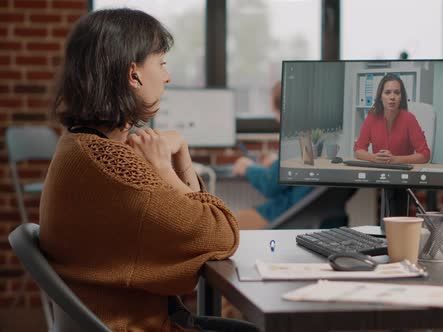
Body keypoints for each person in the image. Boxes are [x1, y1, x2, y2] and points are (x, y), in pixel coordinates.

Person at [39, 8, 257, 332]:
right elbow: (223, 234)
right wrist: (167, 169)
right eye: (162, 63)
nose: (167, 76)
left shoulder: (79, 146)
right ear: (134, 74)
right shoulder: (116, 166)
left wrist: (179, 150)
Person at [232, 81, 313, 229]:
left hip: (288, 216)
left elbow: (270, 184)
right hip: (320, 218)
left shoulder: (298, 139)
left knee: (226, 226)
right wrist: (277, 162)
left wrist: (247, 168)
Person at [353, 74, 431, 164]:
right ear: (380, 97)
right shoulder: (372, 117)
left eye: (397, 93)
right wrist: (374, 158)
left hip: (403, 173)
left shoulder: (409, 119)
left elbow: (425, 155)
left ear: (401, 97)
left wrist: (395, 159)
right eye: (387, 92)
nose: (392, 97)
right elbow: (358, 150)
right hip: (379, 171)